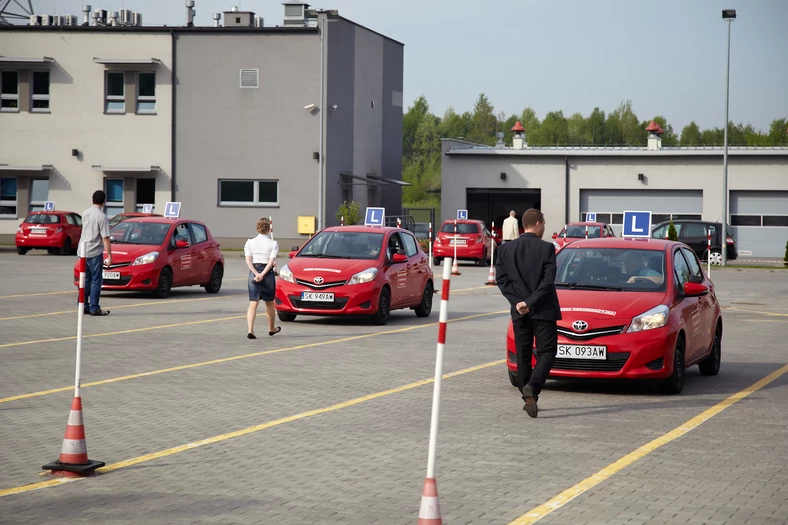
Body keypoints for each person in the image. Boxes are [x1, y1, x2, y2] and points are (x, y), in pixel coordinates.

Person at [495, 208, 561, 418]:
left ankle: (529, 397)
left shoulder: (505, 250)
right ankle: (532, 388)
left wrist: (518, 303)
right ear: (539, 224)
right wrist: (530, 302)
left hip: (519, 312)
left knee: (523, 355)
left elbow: (502, 281)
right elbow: (547, 281)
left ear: (523, 224)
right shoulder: (547, 248)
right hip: (543, 310)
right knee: (547, 352)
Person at [244, 217, 281, 339]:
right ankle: (271, 328)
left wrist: (256, 274)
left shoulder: (249, 242)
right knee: (269, 303)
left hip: (253, 272)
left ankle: (250, 330)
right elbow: (271, 262)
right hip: (267, 273)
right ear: (268, 229)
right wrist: (263, 274)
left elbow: (248, 260)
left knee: (253, 303)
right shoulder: (273, 243)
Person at [79, 190, 112, 316]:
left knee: (85, 280)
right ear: (104, 201)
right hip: (94, 251)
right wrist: (109, 255)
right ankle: (94, 307)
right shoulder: (102, 217)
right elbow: (105, 237)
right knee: (96, 280)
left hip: (83, 251)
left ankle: (82, 305)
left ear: (92, 199)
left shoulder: (85, 213)